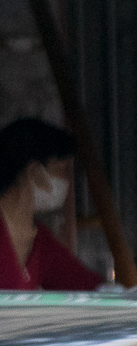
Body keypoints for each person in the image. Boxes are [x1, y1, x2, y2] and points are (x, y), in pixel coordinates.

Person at [0, 118, 101, 292]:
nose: (68, 182)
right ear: (35, 172)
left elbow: (88, 286)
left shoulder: (39, 240)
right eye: (62, 170)